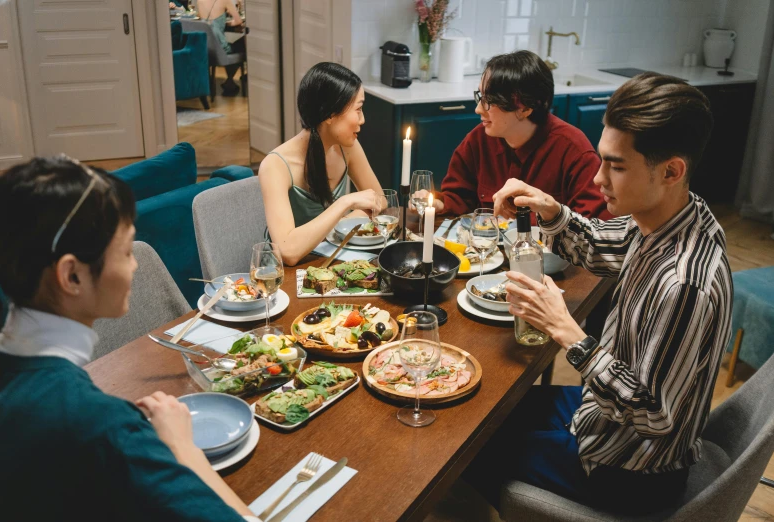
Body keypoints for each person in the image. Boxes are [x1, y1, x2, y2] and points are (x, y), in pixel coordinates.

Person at [464, 73, 732, 514]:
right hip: (601, 415)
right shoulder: (672, 216)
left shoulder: (685, 283)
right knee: (485, 412)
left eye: (616, 166)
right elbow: (596, 245)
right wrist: (551, 208)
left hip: (628, 472)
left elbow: (654, 418)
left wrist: (567, 331)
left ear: (671, 171)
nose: (598, 177)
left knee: (466, 452)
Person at [0, 157, 261, 522]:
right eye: (126, 250)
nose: (135, 264)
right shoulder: (101, 426)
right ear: (71, 276)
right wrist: (182, 445)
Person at [413, 50, 610, 220]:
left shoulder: (573, 150)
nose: (478, 109)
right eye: (480, 97)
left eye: (490, 101)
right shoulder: (478, 140)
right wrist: (440, 204)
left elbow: (593, 225)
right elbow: (459, 197)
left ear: (524, 108)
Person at [259, 62, 383, 266]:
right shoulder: (275, 166)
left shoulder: (347, 146)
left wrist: (337, 224)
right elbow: (288, 251)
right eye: (358, 109)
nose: (363, 119)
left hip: (329, 259)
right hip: (281, 277)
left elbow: (379, 200)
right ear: (330, 115)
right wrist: (346, 203)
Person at [196, 0, 244, 96]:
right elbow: (238, 21)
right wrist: (229, 23)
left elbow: (202, 20)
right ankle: (230, 80)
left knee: (234, 47)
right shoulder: (225, 1)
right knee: (242, 43)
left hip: (207, 47)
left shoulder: (199, 1)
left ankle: (230, 82)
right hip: (220, 47)